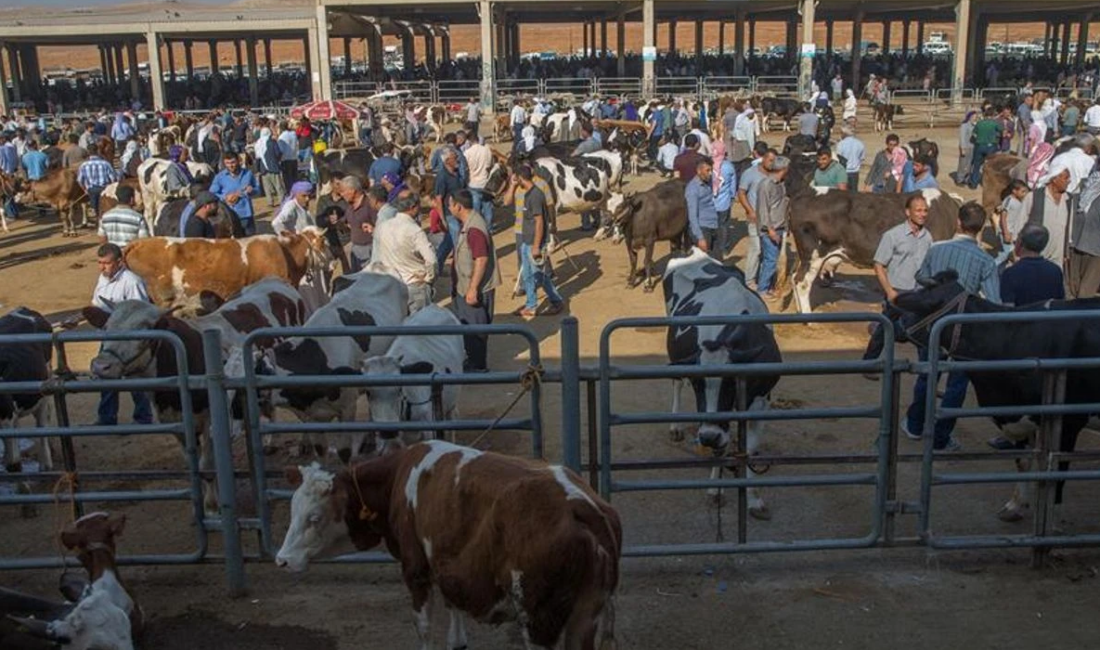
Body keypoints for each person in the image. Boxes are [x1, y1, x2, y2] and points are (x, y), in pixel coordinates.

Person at [905, 202, 1001, 451]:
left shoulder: (936, 248)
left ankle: (915, 425)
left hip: (932, 324)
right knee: (957, 384)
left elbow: (920, 277)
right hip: (964, 331)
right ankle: (940, 438)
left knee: (928, 374)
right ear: (980, 227)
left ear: (958, 222)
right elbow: (994, 302)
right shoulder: (986, 261)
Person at [863, 195, 933, 362]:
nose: (923, 214)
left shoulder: (928, 237)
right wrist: (890, 292)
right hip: (897, 292)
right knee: (884, 331)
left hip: (919, 292)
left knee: (922, 332)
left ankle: (925, 372)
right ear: (908, 212)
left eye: (925, 210)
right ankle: (868, 363)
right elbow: (878, 265)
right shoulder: (892, 235)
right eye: (918, 210)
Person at [90, 243, 153, 428]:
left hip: (127, 340)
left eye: (106, 263)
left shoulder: (132, 282)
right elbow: (96, 304)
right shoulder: (102, 279)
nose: (102, 267)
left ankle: (143, 418)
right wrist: (79, 317)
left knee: (134, 378)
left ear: (119, 262)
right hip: (109, 337)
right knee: (106, 376)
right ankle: (107, 418)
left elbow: (138, 311)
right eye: (99, 263)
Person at [450, 188, 501, 372]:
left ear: (458, 206)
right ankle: (473, 360)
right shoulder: (469, 223)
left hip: (474, 288)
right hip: (466, 285)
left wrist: (473, 289)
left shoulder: (474, 228)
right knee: (470, 328)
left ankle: (478, 366)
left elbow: (481, 259)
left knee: (475, 329)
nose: (449, 208)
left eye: (450, 205)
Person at [372, 190, 437, 313]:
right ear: (413, 207)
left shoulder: (382, 227)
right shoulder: (414, 230)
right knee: (420, 322)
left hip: (393, 285)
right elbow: (431, 260)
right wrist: (429, 278)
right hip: (414, 285)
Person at [513, 165, 564, 318]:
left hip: (533, 243)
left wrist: (536, 246)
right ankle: (532, 305)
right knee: (529, 275)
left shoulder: (534, 196)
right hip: (527, 240)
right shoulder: (530, 193)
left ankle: (555, 300)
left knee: (538, 275)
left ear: (521, 178)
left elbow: (539, 221)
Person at [736, 143, 773, 289]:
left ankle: (765, 278)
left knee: (768, 250)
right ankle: (749, 280)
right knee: (756, 249)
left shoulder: (775, 174)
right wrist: (750, 211)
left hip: (770, 218)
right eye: (770, 160)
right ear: (763, 159)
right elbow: (741, 193)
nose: (772, 163)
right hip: (755, 217)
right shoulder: (749, 173)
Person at [1001, 223, 1065, 307]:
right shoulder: (1055, 271)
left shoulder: (1010, 274)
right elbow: (1060, 304)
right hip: (1047, 315)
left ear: (1020, 243)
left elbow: (1008, 310)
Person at [1019, 168, 1071, 268]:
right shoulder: (1033, 196)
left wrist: (1066, 252)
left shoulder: (1068, 199)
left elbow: (1068, 230)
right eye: (1066, 178)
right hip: (1035, 255)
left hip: (1057, 258)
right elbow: (1020, 224)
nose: (1069, 181)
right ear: (1054, 179)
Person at [755, 155, 790, 298]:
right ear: (783, 169)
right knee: (771, 260)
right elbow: (763, 210)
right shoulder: (766, 185)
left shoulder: (781, 184)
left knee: (770, 259)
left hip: (780, 226)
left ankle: (768, 286)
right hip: (770, 229)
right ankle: (762, 289)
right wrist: (770, 230)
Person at [433, 149, 467, 275]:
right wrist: (442, 219)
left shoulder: (456, 173)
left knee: (448, 243)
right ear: (447, 161)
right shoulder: (442, 176)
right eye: (454, 157)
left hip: (458, 213)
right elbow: (438, 198)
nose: (457, 159)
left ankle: (437, 267)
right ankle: (458, 270)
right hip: (449, 214)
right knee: (457, 243)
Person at [210, 152, 259, 235]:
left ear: (238, 161)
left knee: (250, 238)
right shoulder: (220, 177)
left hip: (246, 214)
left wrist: (252, 190)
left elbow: (257, 189)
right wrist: (225, 197)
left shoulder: (248, 174)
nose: (230, 166)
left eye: (233, 162)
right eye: (227, 163)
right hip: (230, 215)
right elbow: (212, 193)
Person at [339, 175, 376, 271]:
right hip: (355, 248)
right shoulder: (350, 206)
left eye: (343, 191)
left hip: (369, 249)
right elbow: (346, 222)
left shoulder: (369, 204)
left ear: (353, 191)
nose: (341, 194)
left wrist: (372, 229)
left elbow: (380, 226)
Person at [685, 158, 719, 254]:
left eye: (711, 170)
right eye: (707, 170)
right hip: (703, 228)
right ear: (699, 171)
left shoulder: (707, 182)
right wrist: (700, 238)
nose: (710, 173)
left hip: (713, 225)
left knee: (717, 259)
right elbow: (692, 215)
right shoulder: (693, 189)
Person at [77, 144, 118, 220]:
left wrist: (85, 189)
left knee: (94, 208)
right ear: (97, 151)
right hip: (105, 189)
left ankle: (97, 220)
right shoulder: (105, 163)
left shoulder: (84, 165)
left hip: (91, 189)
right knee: (105, 208)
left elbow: (80, 180)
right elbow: (113, 178)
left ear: (88, 152)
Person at [712, 139, 737, 258]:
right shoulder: (729, 166)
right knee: (723, 225)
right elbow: (733, 186)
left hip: (710, 202)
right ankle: (724, 249)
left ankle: (712, 247)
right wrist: (732, 197)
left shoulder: (707, 165)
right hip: (724, 202)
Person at [968, 108, 1004, 189]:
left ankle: (974, 183)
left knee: (976, 165)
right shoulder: (994, 123)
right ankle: (987, 183)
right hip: (990, 146)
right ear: (992, 115)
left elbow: (974, 134)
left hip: (979, 145)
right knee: (990, 166)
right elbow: (1001, 130)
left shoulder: (979, 123)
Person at [464, 136, 495, 225]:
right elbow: (490, 165)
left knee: (476, 207)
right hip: (485, 182)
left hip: (473, 183)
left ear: (469, 141)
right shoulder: (487, 150)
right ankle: (489, 227)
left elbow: (466, 168)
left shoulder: (467, 152)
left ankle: (477, 225)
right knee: (488, 207)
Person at [255, 127, 284, 208]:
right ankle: (282, 200)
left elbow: (257, 158)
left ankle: (270, 202)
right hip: (273, 167)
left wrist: (258, 169)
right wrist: (277, 160)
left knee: (267, 187)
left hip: (263, 168)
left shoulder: (258, 144)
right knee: (278, 186)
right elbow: (278, 153)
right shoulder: (272, 142)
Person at [835, 126, 865, 191]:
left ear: (844, 133)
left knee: (843, 193)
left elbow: (838, 158)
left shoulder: (841, 144)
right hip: (855, 172)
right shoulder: (860, 143)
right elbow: (862, 158)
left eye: (841, 133)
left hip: (843, 172)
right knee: (854, 193)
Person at [953, 111, 978, 187]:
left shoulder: (975, 125)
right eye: (973, 116)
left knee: (969, 164)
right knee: (963, 164)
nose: (975, 118)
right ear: (969, 117)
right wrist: (962, 148)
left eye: (975, 117)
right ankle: (959, 179)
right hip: (966, 147)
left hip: (972, 147)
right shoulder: (964, 125)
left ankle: (966, 179)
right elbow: (962, 137)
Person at [277, 121, 299, 191]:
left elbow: (281, 150)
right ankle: (296, 192)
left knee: (288, 179)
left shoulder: (281, 137)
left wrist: (278, 160)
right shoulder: (293, 134)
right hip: (294, 158)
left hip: (286, 160)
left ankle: (290, 192)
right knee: (295, 177)